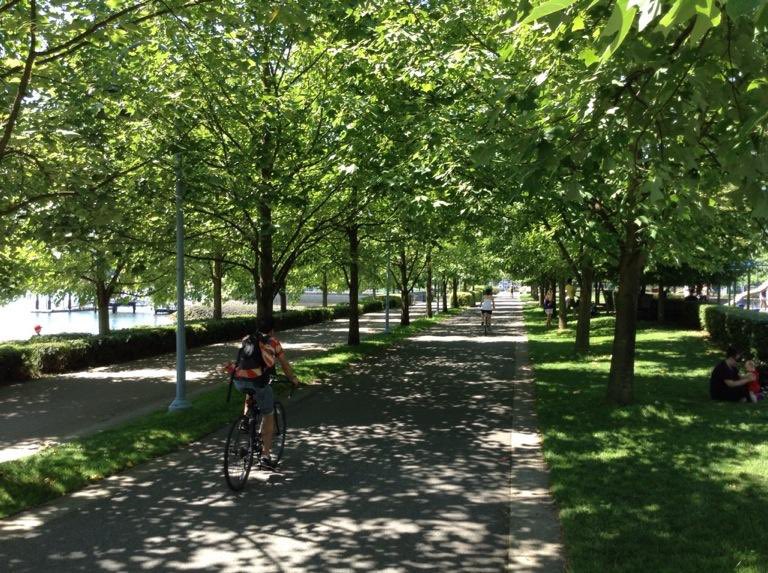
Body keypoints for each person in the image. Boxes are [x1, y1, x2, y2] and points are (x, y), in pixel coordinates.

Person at [228, 317, 300, 470]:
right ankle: (266, 456)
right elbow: (285, 365)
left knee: (250, 390)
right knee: (268, 413)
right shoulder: (274, 343)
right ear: (272, 330)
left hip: (238, 380)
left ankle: (245, 420)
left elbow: (247, 360)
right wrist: (293, 379)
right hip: (258, 381)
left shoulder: (247, 339)